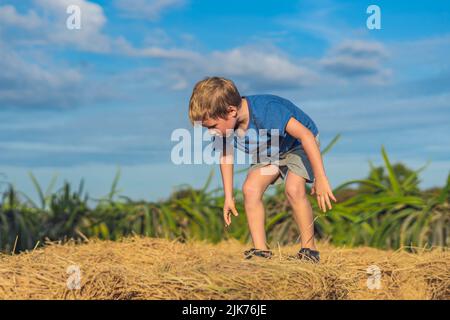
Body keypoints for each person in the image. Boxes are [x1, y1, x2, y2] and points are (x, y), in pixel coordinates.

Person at [188, 76, 337, 263]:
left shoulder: (268, 109)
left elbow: (306, 136)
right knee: (250, 189)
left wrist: (321, 178)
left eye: (212, 126)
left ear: (231, 111)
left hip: (300, 145)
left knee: (293, 188)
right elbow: (226, 156)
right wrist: (228, 197)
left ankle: (309, 250)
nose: (211, 132)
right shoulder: (226, 126)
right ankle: (261, 251)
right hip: (271, 149)